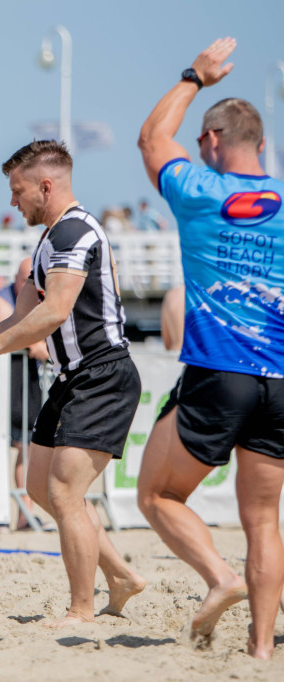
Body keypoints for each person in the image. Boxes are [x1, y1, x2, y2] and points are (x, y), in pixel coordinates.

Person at [0, 140, 146, 628]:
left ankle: (81, 610)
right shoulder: (49, 240)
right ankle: (121, 575)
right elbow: (19, 316)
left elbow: (53, 312)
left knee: (64, 492)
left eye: (17, 191)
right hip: (72, 376)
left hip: (102, 374)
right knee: (40, 487)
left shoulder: (74, 233)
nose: (12, 202)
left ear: (46, 185)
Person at [136, 37, 284, 659]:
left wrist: (195, 76)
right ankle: (258, 651)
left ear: (217, 140)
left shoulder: (200, 188)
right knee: (264, 522)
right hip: (279, 380)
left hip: (219, 370)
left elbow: (150, 138)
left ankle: (220, 579)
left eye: (202, 139)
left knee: (156, 495)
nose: (197, 147)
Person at [0, 257, 49, 531]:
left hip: (22, 379)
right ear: (18, 279)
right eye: (27, 279)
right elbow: (9, 330)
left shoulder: (39, 300)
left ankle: (24, 516)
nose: (32, 284)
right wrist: (38, 345)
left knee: (25, 446)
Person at [159, 284, 185, 352]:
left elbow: (167, 342)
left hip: (175, 355)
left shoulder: (172, 295)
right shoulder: (208, 295)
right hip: (201, 358)